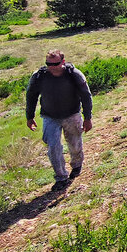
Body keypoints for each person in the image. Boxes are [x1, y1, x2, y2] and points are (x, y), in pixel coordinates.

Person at [26, 49, 93, 191]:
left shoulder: (74, 75)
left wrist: (87, 118)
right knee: (53, 148)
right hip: (50, 117)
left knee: (75, 145)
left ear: (63, 61)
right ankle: (61, 177)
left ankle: (76, 164)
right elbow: (31, 96)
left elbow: (86, 96)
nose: (52, 67)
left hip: (72, 115)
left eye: (55, 64)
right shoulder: (39, 77)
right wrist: (29, 116)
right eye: (49, 64)